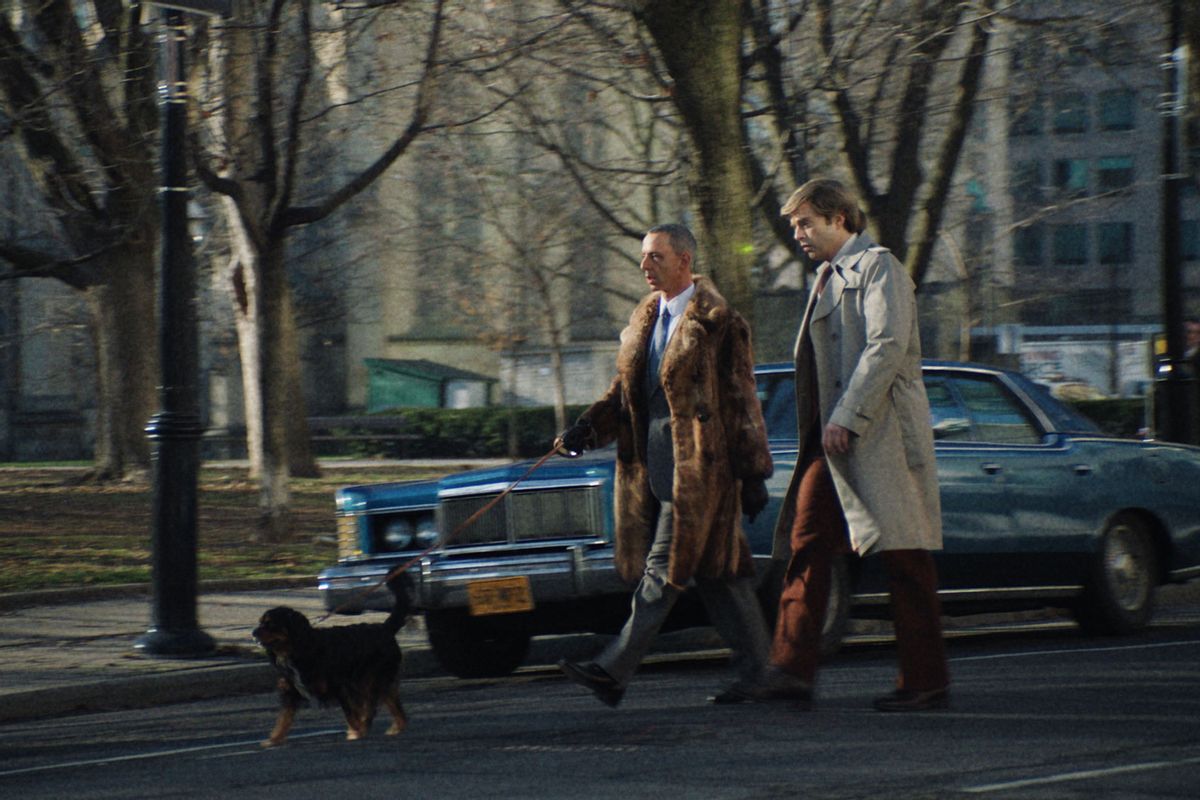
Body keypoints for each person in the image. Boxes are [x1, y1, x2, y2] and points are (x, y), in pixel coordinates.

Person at [720, 178, 949, 712]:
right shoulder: (826, 276)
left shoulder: (879, 267)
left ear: (839, 219)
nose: (797, 234)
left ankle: (926, 678)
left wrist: (847, 416)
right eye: (795, 224)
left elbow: (886, 347)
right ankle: (791, 669)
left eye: (806, 223)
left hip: (880, 435)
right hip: (836, 442)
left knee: (905, 556)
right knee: (806, 539)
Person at [554, 223, 775, 707]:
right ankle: (764, 672)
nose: (644, 266)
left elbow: (741, 400)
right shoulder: (645, 320)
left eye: (655, 257)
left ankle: (614, 669)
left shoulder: (720, 322)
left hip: (700, 472)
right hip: (652, 470)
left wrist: (753, 471)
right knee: (722, 574)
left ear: (684, 261)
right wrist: (587, 428)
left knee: (663, 569)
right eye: (643, 257)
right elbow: (624, 395)